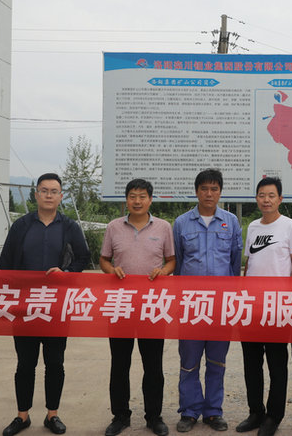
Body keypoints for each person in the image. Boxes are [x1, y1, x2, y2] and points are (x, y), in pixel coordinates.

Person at [0, 173, 90, 436]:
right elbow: (5, 265)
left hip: (57, 306)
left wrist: (67, 273)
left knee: (55, 363)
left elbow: (83, 258)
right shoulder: (21, 226)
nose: (49, 195)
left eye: (54, 191)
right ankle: (22, 416)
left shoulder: (70, 226)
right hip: (25, 307)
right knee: (25, 364)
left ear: (61, 196)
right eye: (44, 190)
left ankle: (52, 415)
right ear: (36, 194)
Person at [100, 179, 175, 436]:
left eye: (142, 196)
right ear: (126, 199)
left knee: (153, 365)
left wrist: (163, 271)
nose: (137, 201)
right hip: (120, 305)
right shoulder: (114, 227)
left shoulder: (164, 227)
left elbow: (172, 260)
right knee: (119, 363)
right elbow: (104, 259)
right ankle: (120, 416)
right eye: (133, 196)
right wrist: (111, 269)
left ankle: (154, 416)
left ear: (150, 200)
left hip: (152, 306)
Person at [173, 169, 243, 432]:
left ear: (220, 192)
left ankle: (213, 412)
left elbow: (235, 264)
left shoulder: (231, 222)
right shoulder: (181, 223)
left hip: (221, 306)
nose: (209, 194)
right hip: (191, 306)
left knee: (217, 361)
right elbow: (178, 264)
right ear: (196, 191)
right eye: (204, 189)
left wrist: (231, 298)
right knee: (189, 360)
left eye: (214, 189)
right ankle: (189, 412)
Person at [236, 177, 292, 436]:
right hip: (252, 305)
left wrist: (291, 299)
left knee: (276, 363)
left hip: (278, 306)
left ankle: (273, 416)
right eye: (262, 195)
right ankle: (256, 412)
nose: (266, 200)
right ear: (257, 198)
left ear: (280, 199)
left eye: (271, 195)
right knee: (251, 362)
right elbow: (249, 263)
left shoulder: (290, 226)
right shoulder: (253, 227)